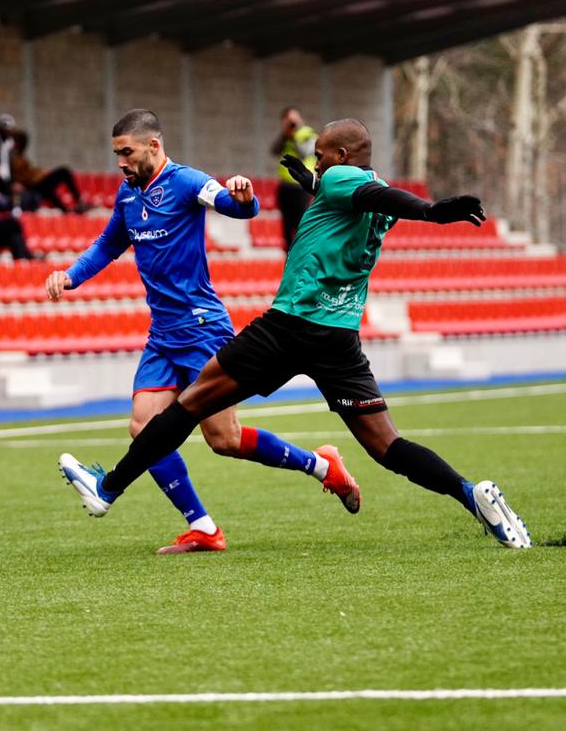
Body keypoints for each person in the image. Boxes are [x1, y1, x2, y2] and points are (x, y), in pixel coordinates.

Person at [60, 118, 534, 550]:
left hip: (288, 327)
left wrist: (432, 211)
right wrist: (311, 183)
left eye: (321, 156)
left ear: (343, 157)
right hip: (339, 339)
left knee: (188, 406)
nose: (317, 163)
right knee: (388, 447)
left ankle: (108, 488)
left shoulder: (344, 180)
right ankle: (470, 495)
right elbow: (367, 199)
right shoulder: (361, 190)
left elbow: (360, 192)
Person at [45, 109, 355, 554]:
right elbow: (109, 244)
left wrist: (245, 199)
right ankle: (203, 527)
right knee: (143, 427)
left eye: (127, 152)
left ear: (154, 145)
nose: (120, 162)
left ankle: (322, 467)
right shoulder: (128, 195)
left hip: (201, 329)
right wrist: (70, 275)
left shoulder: (187, 182)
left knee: (224, 439)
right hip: (162, 335)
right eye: (116, 154)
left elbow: (235, 206)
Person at [271, 106, 319, 251]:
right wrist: (284, 134)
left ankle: (301, 254)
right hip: (285, 186)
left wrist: (294, 137)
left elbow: (305, 153)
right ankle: (288, 256)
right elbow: (274, 151)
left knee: (300, 224)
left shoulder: (308, 134)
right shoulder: (284, 135)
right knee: (286, 227)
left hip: (301, 186)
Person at [11, 129, 89, 213]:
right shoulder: (11, 158)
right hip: (32, 185)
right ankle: (65, 210)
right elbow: (20, 177)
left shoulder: (20, 156)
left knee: (63, 172)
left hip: (38, 181)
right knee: (47, 187)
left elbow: (29, 172)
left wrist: (38, 173)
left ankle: (79, 201)